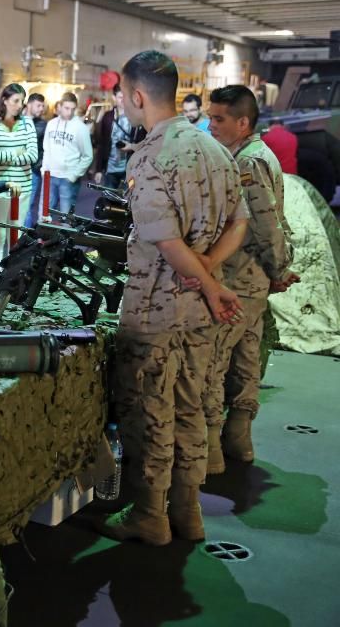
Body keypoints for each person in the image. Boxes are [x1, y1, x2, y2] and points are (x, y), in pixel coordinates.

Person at [99, 50, 249, 547]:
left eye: (123, 95)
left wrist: (205, 280)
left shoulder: (150, 157)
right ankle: (188, 512)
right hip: (201, 315)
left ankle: (149, 515)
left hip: (156, 312)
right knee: (190, 408)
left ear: (137, 96)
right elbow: (240, 223)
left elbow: (165, 241)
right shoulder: (215, 150)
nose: (123, 103)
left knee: (149, 411)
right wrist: (210, 273)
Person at [199, 85, 299, 473]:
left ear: (243, 123)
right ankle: (238, 443)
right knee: (245, 364)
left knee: (214, 365)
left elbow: (266, 226)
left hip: (239, 283)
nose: (211, 126)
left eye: (219, 119)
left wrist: (278, 270)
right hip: (251, 283)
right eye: (210, 117)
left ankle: (208, 455)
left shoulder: (249, 162)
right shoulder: (254, 155)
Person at [0, 83, 38, 268]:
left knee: (15, 237)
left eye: (22, 101)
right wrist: (16, 153)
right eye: (16, 101)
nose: (19, 105)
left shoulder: (27, 123)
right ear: (5, 100)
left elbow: (33, 155)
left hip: (22, 188)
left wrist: (4, 155)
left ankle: (12, 280)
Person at [42, 92, 93, 215]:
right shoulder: (51, 124)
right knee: (45, 215)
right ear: (60, 106)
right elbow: (46, 149)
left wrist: (74, 175)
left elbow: (88, 156)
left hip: (68, 178)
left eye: (73, 109)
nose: (69, 112)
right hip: (50, 175)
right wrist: (44, 169)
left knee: (66, 218)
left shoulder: (80, 128)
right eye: (66, 108)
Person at [92, 84, 144, 191]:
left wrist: (131, 146)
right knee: (109, 201)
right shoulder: (107, 117)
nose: (124, 100)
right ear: (114, 98)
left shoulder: (137, 117)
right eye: (121, 97)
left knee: (128, 201)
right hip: (110, 169)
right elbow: (102, 144)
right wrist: (98, 170)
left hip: (130, 170)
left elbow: (145, 143)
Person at [22, 93, 48, 228]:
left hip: (34, 170)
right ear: (29, 104)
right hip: (17, 169)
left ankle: (24, 237)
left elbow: (46, 148)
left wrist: (40, 164)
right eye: (38, 105)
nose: (41, 108)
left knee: (28, 204)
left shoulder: (43, 125)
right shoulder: (18, 121)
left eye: (42, 106)